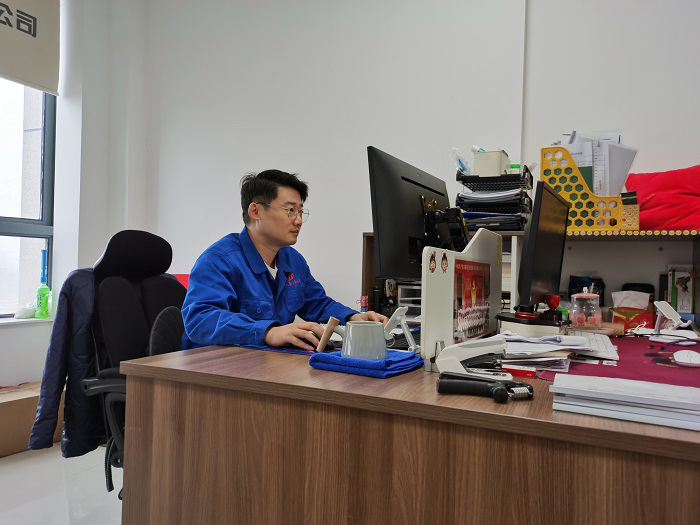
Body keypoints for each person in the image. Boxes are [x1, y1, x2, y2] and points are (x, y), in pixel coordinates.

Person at [181, 170, 387, 351]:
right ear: (255, 211)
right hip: (212, 370)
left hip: (265, 364)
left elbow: (317, 303)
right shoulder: (218, 260)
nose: (299, 220)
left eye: (300, 211)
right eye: (290, 210)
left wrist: (353, 318)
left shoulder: (293, 260)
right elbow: (200, 319)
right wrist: (268, 332)